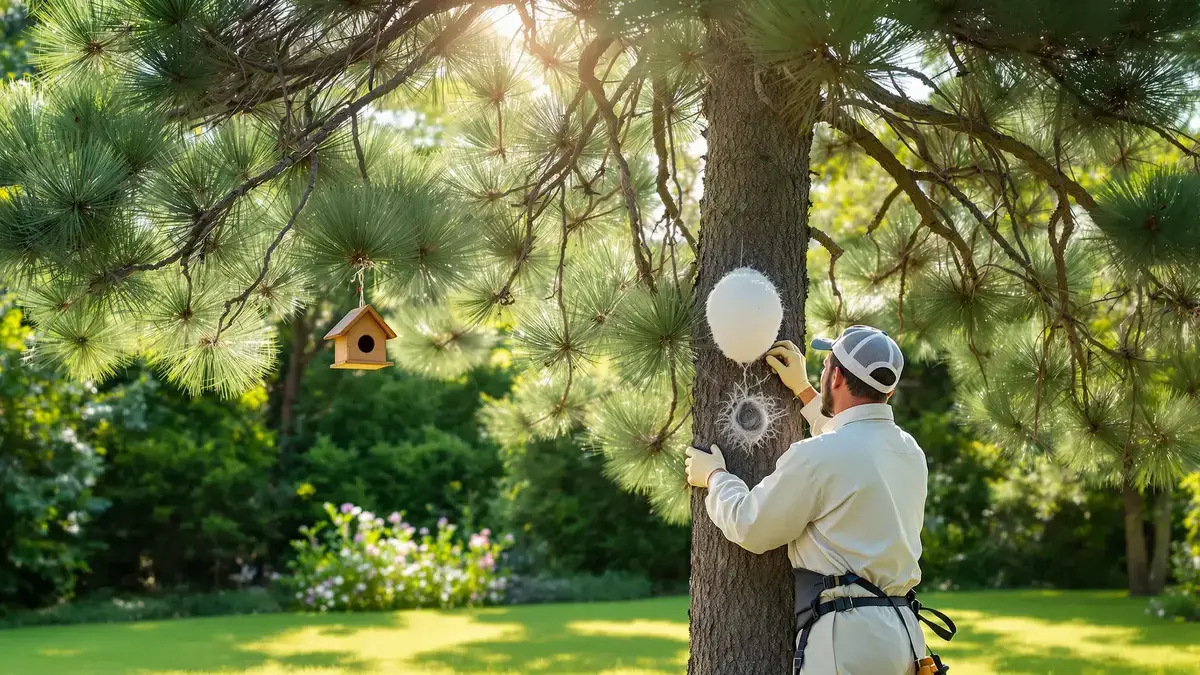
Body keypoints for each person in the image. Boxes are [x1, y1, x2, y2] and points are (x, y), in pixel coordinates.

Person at [685, 325, 951, 675]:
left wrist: (715, 477)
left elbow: (750, 526)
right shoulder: (907, 450)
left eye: (826, 366)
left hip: (847, 642)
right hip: (905, 637)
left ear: (837, 376)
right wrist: (805, 392)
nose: (824, 371)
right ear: (890, 388)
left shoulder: (820, 455)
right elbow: (852, 446)